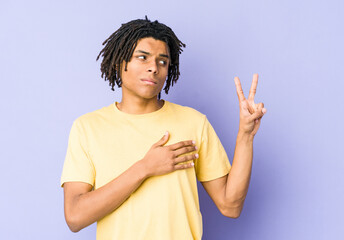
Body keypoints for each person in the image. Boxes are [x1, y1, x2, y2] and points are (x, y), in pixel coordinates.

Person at [60, 17, 266, 240]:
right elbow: (75, 216)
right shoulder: (88, 128)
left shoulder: (193, 122)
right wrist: (145, 168)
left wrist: (245, 135)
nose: (153, 68)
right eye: (143, 57)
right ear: (120, 62)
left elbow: (230, 206)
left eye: (162, 61)